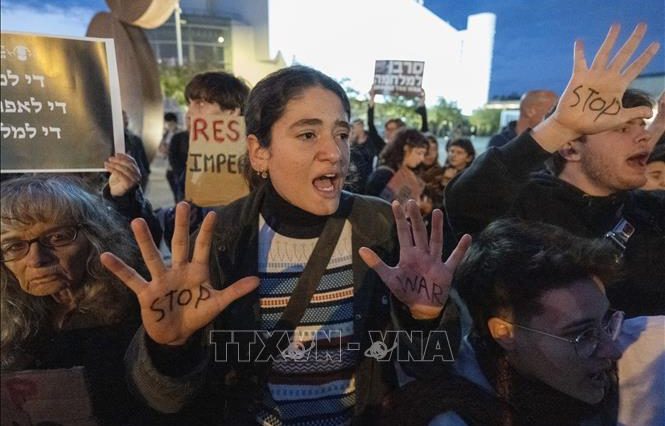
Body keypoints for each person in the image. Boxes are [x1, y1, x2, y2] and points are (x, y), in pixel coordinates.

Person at [101, 65, 471, 425]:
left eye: (342, 134)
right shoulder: (223, 237)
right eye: (308, 135)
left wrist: (425, 321)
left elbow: (430, 366)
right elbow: (161, 399)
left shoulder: (382, 227)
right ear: (259, 152)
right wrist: (170, 350)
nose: (335, 153)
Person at [445, 23, 664, 316]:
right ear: (570, 148)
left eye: (642, 126)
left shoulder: (651, 212)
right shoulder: (524, 208)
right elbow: (466, 201)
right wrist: (560, 127)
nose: (644, 137)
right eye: (623, 128)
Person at [383, 219, 664, 426]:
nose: (613, 349)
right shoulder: (459, 415)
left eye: (607, 322)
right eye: (582, 334)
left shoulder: (646, 348)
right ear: (505, 333)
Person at [0, 175, 143, 425]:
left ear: (95, 238)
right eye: (14, 246)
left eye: (57, 237)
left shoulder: (138, 306)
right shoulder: (7, 312)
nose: (36, 259)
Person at [168, 71, 250, 202]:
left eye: (201, 104)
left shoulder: (256, 161)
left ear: (232, 111)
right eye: (189, 104)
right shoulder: (191, 156)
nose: (189, 114)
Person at [365, 128, 429, 205]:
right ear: (406, 148)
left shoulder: (407, 174)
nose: (422, 158)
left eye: (424, 154)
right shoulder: (383, 174)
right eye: (419, 153)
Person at [487, 90, 558, 149]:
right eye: (552, 111)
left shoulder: (555, 143)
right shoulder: (499, 143)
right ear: (530, 111)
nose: (557, 117)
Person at [123, 110, 151, 191]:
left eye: (126, 118)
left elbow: (143, 157)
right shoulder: (111, 140)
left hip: (139, 174)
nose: (126, 121)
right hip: (125, 177)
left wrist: (146, 172)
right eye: (123, 119)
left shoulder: (135, 139)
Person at [160, 112, 180, 202]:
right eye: (167, 123)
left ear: (174, 122)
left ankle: (179, 204)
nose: (168, 125)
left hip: (177, 165)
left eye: (170, 123)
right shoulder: (166, 134)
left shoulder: (179, 134)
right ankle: (177, 203)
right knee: (174, 188)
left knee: (178, 189)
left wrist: (170, 149)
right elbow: (161, 146)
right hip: (168, 165)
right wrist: (163, 149)